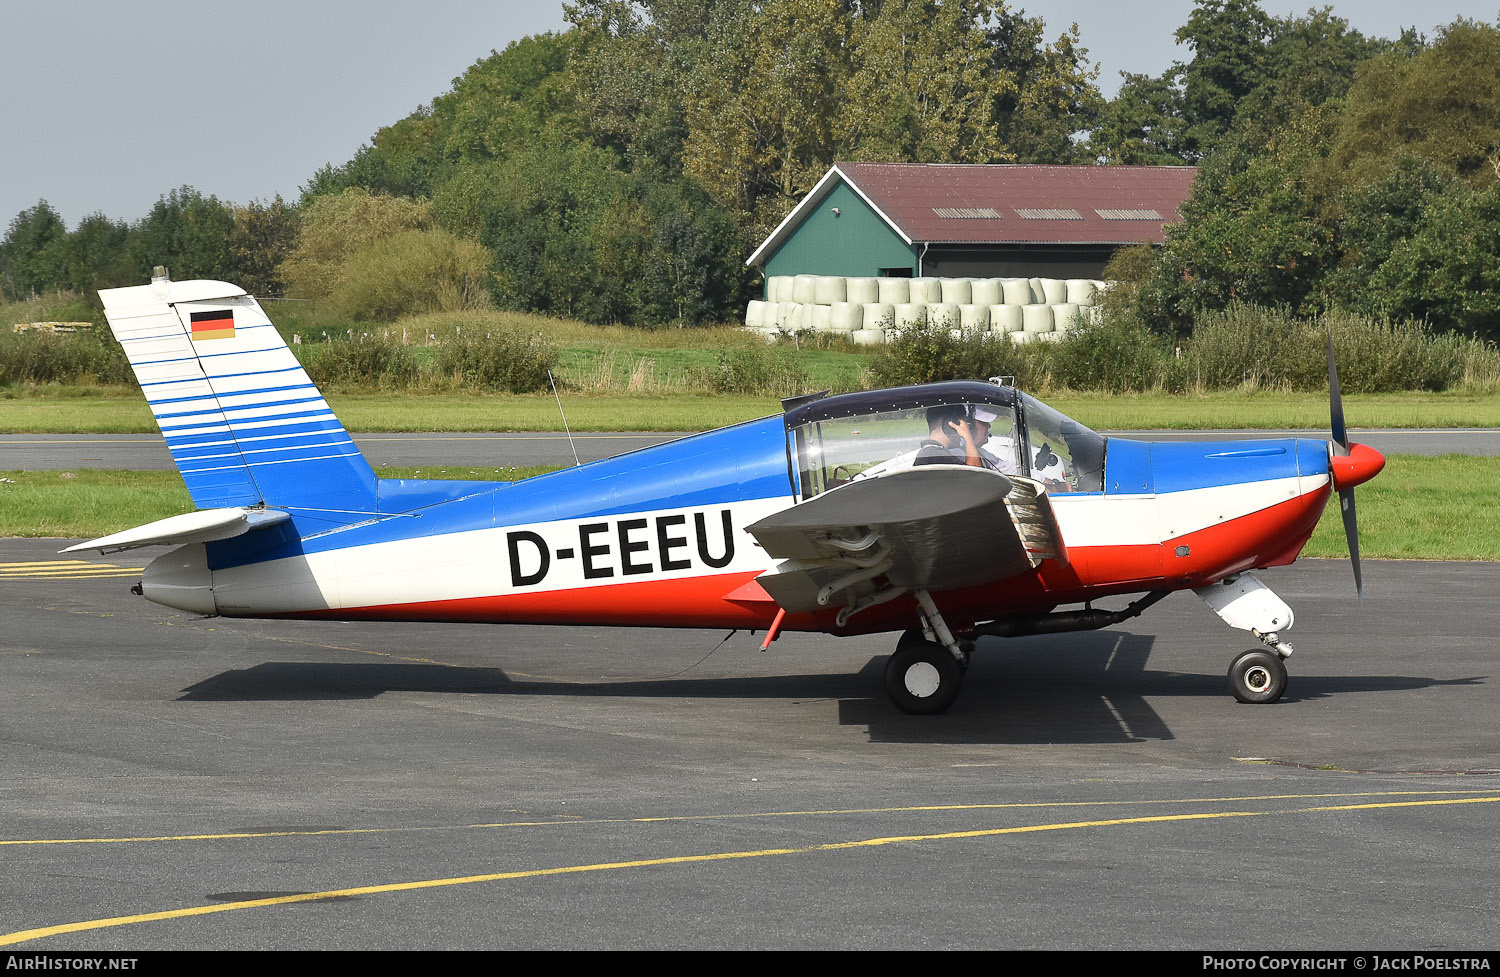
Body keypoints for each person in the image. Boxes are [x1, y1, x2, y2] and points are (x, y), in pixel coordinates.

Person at [914, 404, 1003, 470]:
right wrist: (967, 436)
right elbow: (976, 477)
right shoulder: (935, 455)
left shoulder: (931, 453)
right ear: (951, 425)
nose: (966, 428)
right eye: (962, 424)